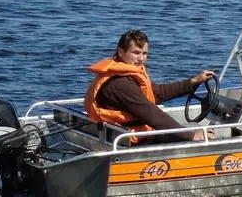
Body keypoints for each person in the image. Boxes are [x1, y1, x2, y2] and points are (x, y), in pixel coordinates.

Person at [83, 29, 215, 143]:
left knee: (195, 129)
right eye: (136, 53)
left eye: (144, 53)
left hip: (127, 132)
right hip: (129, 140)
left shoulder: (127, 74)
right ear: (121, 52)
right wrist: (192, 136)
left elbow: (157, 93)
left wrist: (194, 81)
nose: (141, 59)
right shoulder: (120, 84)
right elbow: (152, 114)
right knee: (206, 137)